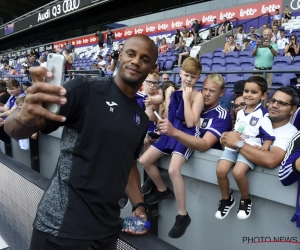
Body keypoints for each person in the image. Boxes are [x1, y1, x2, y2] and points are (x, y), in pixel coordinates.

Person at [4, 35, 158, 250]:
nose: (135, 61)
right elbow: (17, 129)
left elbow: (129, 164)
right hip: (62, 227)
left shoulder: (140, 118)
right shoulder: (86, 88)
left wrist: (139, 205)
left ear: (153, 67)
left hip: (106, 232)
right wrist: (21, 117)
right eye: (131, 54)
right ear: (120, 54)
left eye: (144, 58)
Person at [139, 57, 204, 239]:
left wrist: (185, 97)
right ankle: (162, 190)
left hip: (187, 135)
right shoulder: (171, 90)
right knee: (144, 160)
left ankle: (183, 215)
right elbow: (162, 104)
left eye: (193, 76)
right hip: (170, 133)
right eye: (186, 75)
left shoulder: (197, 96)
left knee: (174, 170)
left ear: (198, 77)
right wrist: (153, 102)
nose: (188, 79)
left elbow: (191, 122)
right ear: (181, 73)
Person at [215, 76, 275, 220]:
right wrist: (227, 137)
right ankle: (226, 199)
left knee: (238, 173)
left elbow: (268, 136)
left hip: (249, 148)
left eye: (254, 92)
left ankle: (245, 199)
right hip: (233, 146)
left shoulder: (263, 114)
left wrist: (265, 149)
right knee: (220, 170)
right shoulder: (240, 112)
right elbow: (238, 129)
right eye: (246, 91)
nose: (248, 94)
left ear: (264, 95)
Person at [221, 87, 298, 170]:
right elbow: (229, 145)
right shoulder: (255, 118)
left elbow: (271, 160)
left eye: (282, 103)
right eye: (272, 101)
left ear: (292, 110)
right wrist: (226, 139)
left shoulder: (290, 132)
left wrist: (238, 143)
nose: (275, 105)